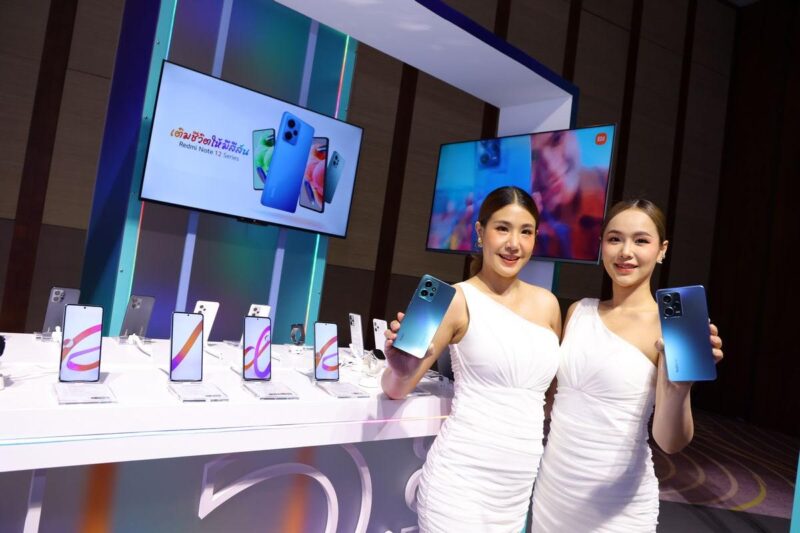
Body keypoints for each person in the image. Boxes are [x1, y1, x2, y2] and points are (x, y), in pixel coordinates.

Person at [530, 199, 724, 531]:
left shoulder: (668, 328)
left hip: (617, 507)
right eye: (615, 239)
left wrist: (680, 388)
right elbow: (553, 401)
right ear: (602, 245)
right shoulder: (578, 311)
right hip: (552, 496)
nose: (625, 252)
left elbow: (670, 442)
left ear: (662, 250)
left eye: (641, 240)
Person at [382, 186, 562, 531]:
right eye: (502, 228)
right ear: (480, 232)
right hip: (459, 483)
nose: (514, 243)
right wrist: (399, 369)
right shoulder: (457, 300)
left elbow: (549, 398)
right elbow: (395, 388)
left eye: (525, 232)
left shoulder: (549, 305)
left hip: (515, 492)